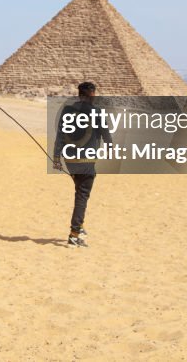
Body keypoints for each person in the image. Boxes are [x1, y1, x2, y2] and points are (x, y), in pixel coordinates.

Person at [53, 81, 110, 248]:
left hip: (70, 161)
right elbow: (106, 135)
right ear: (91, 95)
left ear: (79, 94)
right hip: (87, 161)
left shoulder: (67, 111)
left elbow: (60, 135)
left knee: (79, 192)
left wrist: (57, 158)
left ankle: (81, 226)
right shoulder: (97, 112)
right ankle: (74, 234)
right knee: (82, 196)